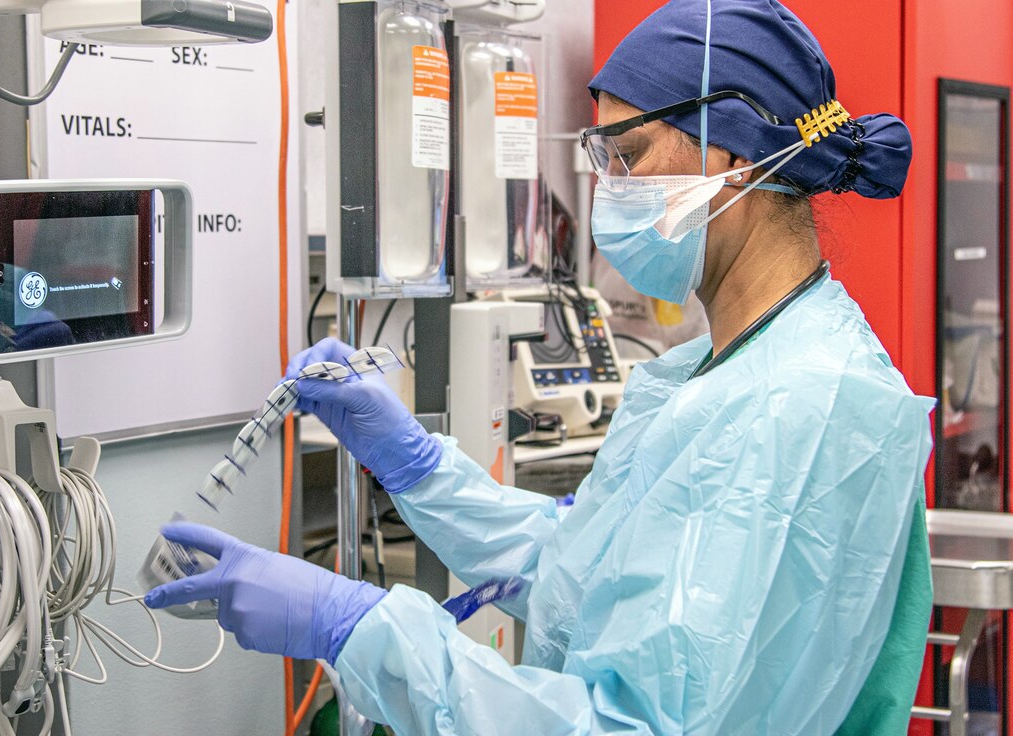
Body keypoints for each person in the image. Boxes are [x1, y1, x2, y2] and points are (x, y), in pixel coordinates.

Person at [145, 1, 935, 733]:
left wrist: (358, 626)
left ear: (729, 154)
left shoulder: (799, 407)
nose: (607, 191)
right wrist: (415, 467)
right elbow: (580, 568)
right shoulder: (722, 372)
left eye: (626, 156)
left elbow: (630, 726)